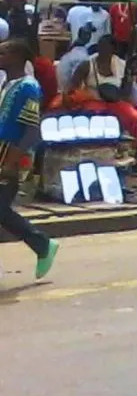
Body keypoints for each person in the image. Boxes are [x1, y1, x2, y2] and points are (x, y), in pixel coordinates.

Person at [0, 40, 60, 280]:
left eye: (3, 52)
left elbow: (32, 129)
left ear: (17, 57)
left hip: (12, 154)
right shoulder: (7, 84)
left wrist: (12, 162)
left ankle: (42, 244)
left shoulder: (28, 87)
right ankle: (41, 244)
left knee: (1, 209)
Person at [55, 34, 137, 142]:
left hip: (116, 102)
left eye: (105, 47)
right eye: (100, 46)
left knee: (133, 117)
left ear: (113, 49)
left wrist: (119, 96)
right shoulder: (87, 65)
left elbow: (127, 91)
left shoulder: (122, 65)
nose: (102, 50)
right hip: (93, 101)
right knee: (94, 118)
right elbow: (72, 88)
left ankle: (133, 147)